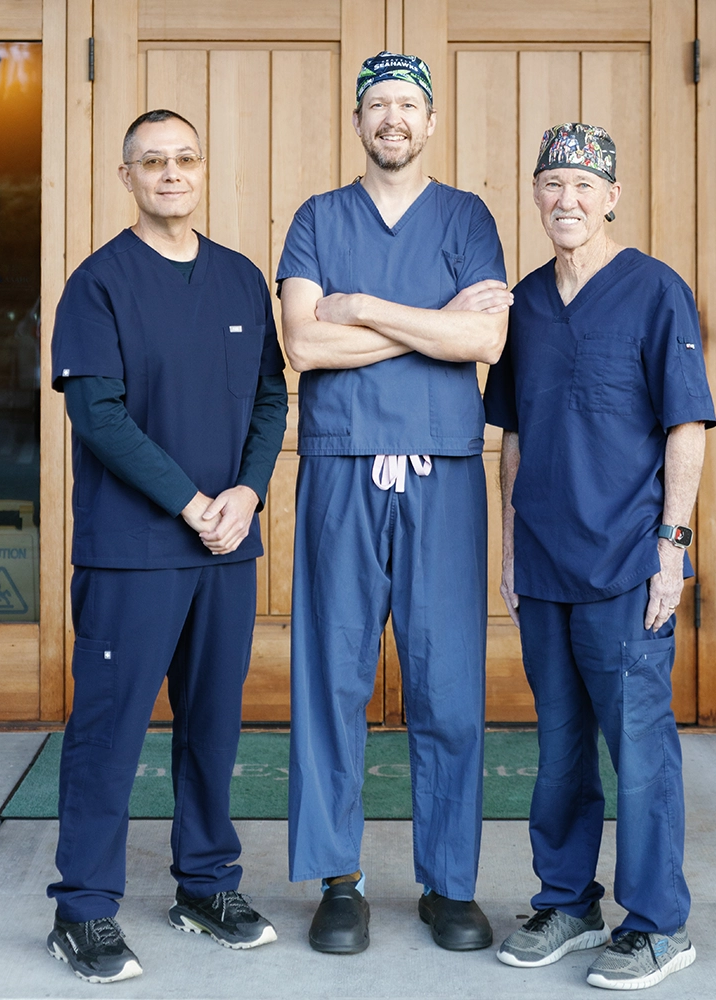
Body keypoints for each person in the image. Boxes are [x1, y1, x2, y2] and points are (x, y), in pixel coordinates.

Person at [276, 51, 513, 955]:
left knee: (448, 678)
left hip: (445, 469)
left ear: (431, 121)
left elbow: (485, 335)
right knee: (331, 675)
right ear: (358, 120)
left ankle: (449, 882)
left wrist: (366, 308)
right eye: (378, 104)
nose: (393, 119)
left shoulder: (466, 216)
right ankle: (339, 879)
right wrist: (430, 323)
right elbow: (304, 345)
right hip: (340, 466)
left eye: (408, 105)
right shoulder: (316, 218)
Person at [45, 109, 287, 983]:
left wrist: (247, 493)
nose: (172, 174)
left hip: (226, 546)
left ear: (203, 169)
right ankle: (82, 909)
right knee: (109, 732)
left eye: (185, 159)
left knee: (213, 729)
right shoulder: (98, 283)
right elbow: (97, 413)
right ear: (128, 177)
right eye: (153, 162)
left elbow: (270, 401)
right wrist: (192, 501)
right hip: (133, 551)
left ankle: (206, 882)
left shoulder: (238, 279)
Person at [483, 122, 716, 990]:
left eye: (584, 186)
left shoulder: (656, 292)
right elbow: (508, 438)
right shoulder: (527, 301)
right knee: (558, 744)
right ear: (536, 195)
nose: (566, 200)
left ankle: (658, 925)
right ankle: (568, 901)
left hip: (627, 563)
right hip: (543, 564)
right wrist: (509, 549)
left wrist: (672, 547)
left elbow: (685, 425)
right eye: (551, 184)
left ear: (612, 195)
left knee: (640, 746)